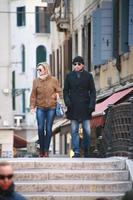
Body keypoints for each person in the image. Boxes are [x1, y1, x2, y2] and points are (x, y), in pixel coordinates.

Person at [63, 56, 96, 158]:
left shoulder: (88, 76)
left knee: (87, 130)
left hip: (85, 106)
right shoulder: (69, 76)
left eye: (79, 64)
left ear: (83, 65)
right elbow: (65, 91)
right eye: (75, 64)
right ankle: (76, 151)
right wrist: (67, 102)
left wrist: (91, 105)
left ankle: (86, 150)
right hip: (73, 106)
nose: (76, 66)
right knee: (74, 130)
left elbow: (93, 91)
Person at [30, 62, 62, 157]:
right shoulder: (36, 81)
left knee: (48, 129)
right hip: (40, 107)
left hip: (51, 107)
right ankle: (41, 150)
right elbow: (33, 95)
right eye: (38, 70)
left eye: (40, 69)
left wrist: (55, 96)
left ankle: (46, 150)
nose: (38, 71)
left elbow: (59, 92)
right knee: (40, 129)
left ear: (45, 69)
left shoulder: (53, 80)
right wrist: (32, 107)